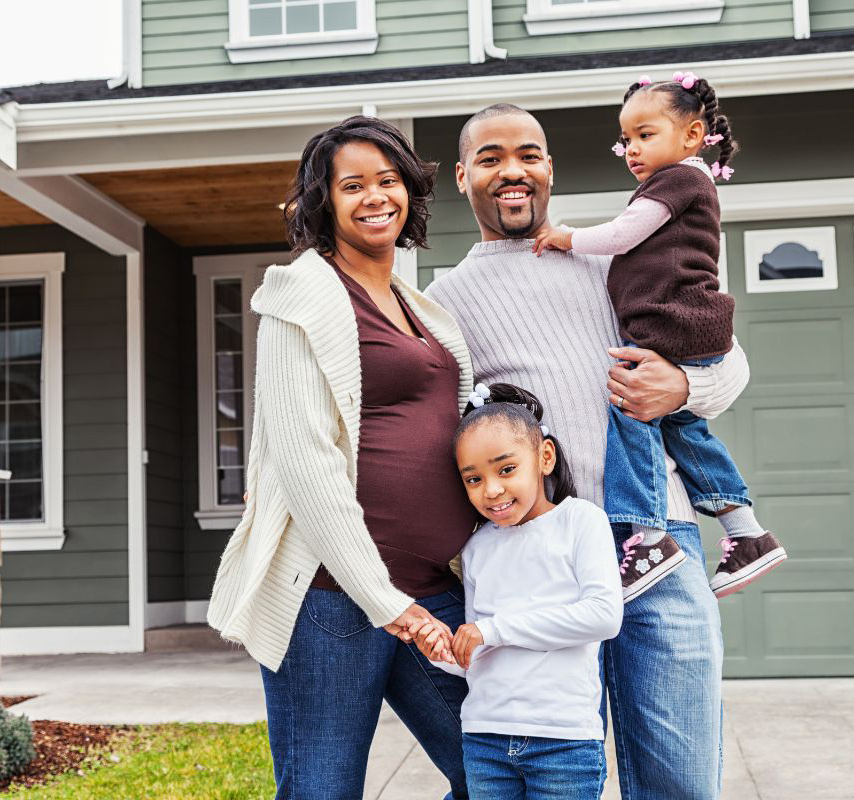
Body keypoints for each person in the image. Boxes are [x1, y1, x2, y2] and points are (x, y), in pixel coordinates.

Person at [425, 101, 751, 799]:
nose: (512, 171)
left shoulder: (615, 255)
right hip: (538, 563)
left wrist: (680, 386)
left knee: (680, 779)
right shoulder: (443, 301)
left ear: (550, 168)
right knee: (551, 776)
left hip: (657, 542)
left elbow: (731, 371)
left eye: (529, 155)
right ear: (461, 176)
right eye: (490, 158)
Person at [207, 116, 477, 800]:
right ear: (324, 202)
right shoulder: (302, 297)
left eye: (388, 181)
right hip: (331, 599)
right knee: (322, 791)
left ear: (411, 192)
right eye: (352, 184)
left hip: (433, 591)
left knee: (504, 773)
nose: (375, 197)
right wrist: (388, 603)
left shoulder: (419, 307)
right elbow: (308, 468)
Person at [532, 72, 786, 601]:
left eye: (645, 135)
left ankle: (650, 536)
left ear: (692, 135)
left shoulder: (678, 180)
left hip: (674, 324)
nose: (631, 149)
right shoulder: (686, 182)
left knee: (632, 413)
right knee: (685, 431)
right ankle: (747, 532)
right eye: (625, 138)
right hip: (689, 326)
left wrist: (566, 238)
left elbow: (623, 234)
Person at [410, 383, 623, 800]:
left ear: (544, 457)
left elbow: (604, 615)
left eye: (506, 469)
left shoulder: (582, 522)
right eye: (473, 479)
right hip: (485, 738)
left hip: (563, 741)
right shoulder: (476, 548)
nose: (491, 490)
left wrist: (493, 630)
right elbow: (479, 653)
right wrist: (445, 653)